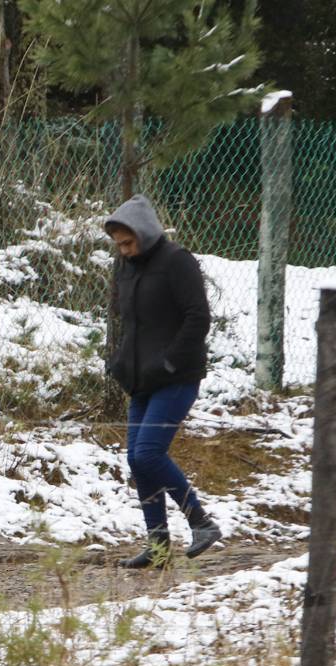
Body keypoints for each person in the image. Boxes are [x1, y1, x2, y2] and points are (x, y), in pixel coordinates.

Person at [104, 194, 223, 569]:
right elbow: (129, 322)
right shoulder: (127, 268)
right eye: (118, 245)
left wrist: (170, 363)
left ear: (146, 233)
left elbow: (198, 318)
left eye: (128, 242)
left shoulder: (177, 262)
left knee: (148, 453)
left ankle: (201, 522)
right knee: (137, 462)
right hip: (140, 380)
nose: (123, 251)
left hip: (177, 378)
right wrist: (120, 362)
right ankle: (157, 548)